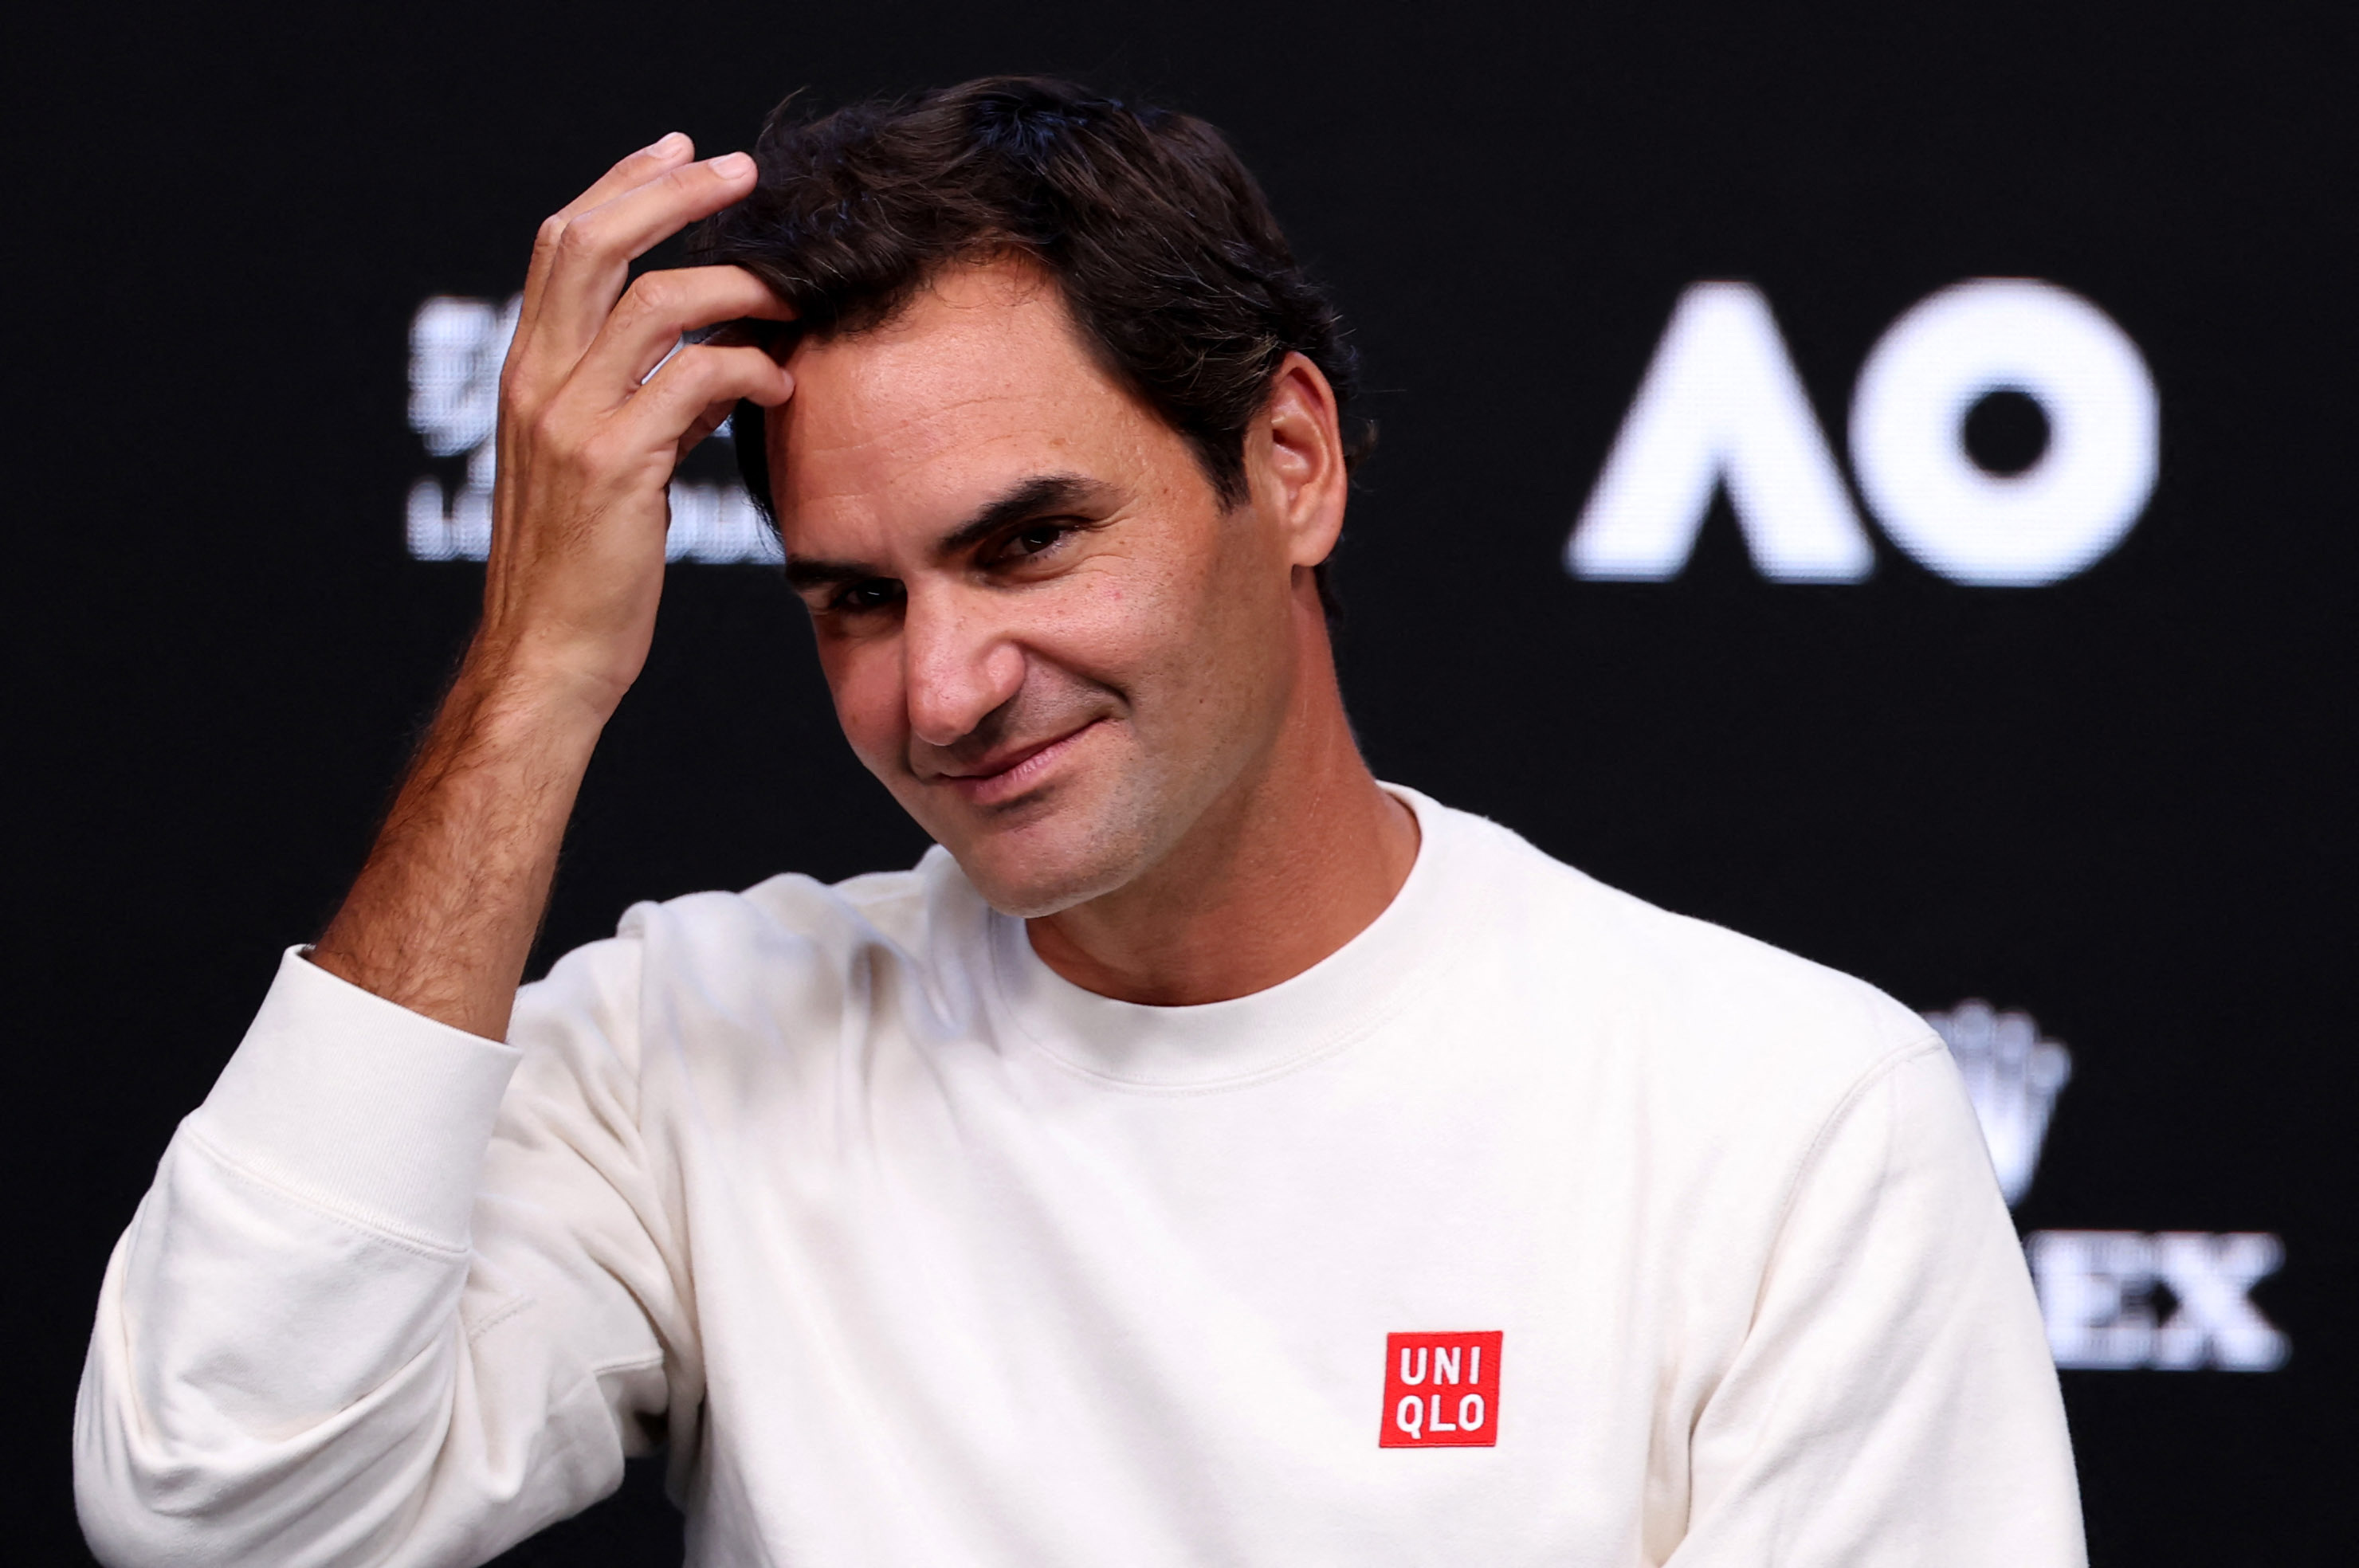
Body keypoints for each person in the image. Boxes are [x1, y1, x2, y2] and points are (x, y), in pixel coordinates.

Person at [74, 76, 2084, 1566]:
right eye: (858, 598)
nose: (943, 689)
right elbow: (217, 1502)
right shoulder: (700, 1045)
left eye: (1029, 542)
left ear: (1286, 463)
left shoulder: (1771, 1109)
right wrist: (531, 683)